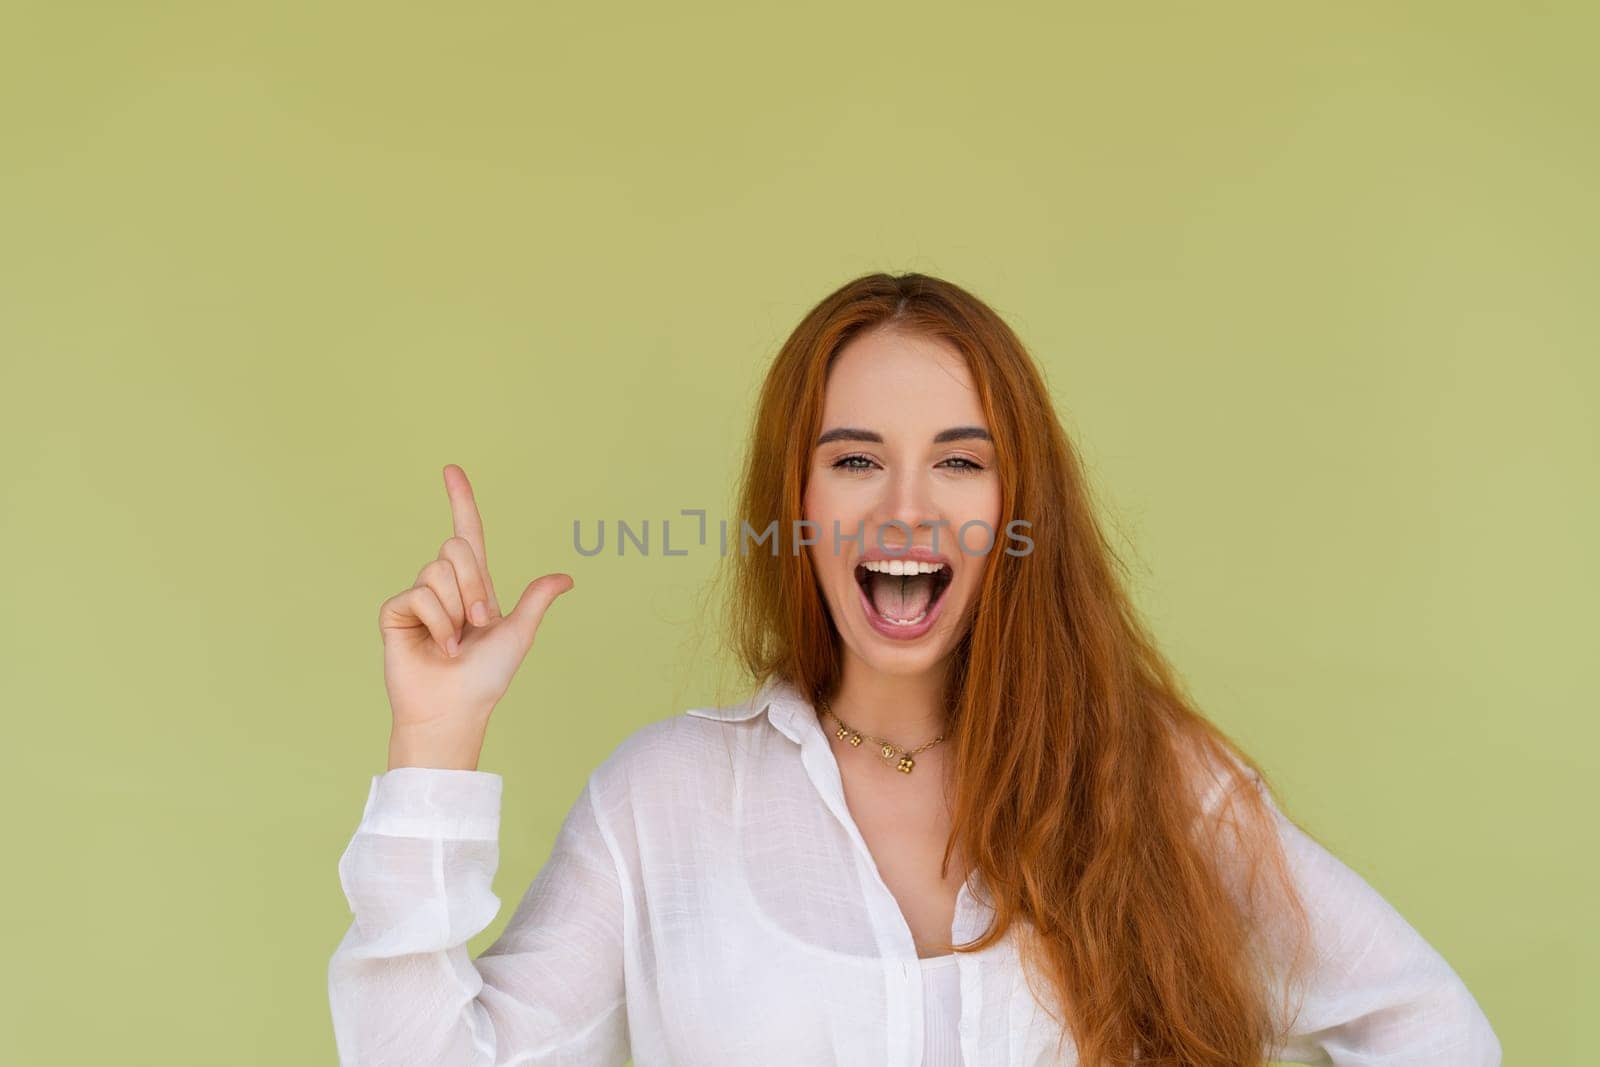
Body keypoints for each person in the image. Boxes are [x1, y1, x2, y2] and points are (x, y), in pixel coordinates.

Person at [327, 273, 1502, 1066]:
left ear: (1016, 507)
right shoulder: (665, 800)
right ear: (795, 503)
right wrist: (434, 739)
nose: (905, 509)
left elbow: (1428, 1026)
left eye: (958, 461)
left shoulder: (1148, 779)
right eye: (853, 460)